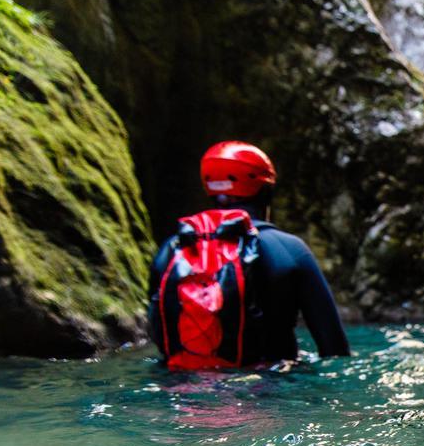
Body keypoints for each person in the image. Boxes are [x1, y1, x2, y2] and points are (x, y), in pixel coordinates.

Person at [147, 141, 350, 368]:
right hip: (269, 391)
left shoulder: (173, 248)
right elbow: (334, 351)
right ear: (266, 191)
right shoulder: (290, 249)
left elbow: (158, 330)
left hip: (182, 391)